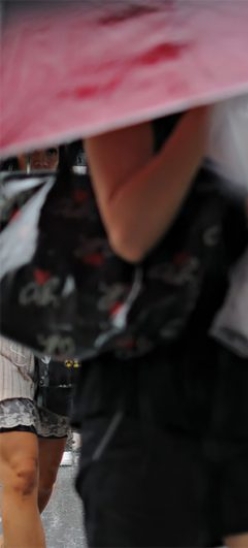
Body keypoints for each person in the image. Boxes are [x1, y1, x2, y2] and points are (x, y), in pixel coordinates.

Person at [72, 109, 248, 547]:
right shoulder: (128, 104)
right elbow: (131, 231)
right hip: (142, 387)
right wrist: (204, 114)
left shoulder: (242, 122)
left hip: (244, 377)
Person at [0, 148, 69, 548]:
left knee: (43, 481)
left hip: (57, 344)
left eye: (52, 152)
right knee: (22, 471)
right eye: (36, 152)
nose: (44, 160)